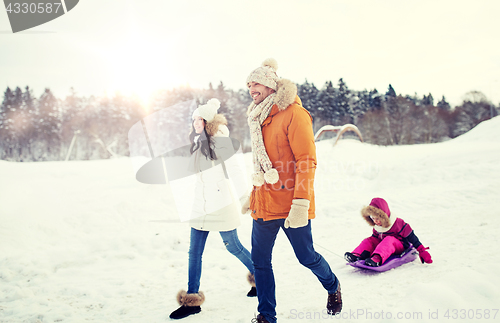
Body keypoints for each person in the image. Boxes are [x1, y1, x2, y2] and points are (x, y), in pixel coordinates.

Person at [241, 59, 342, 323]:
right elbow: (263, 162)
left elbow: (306, 161)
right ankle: (266, 316)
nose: (251, 87)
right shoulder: (258, 118)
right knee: (260, 262)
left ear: (271, 85)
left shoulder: (295, 114)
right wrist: (251, 194)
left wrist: (300, 203)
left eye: (257, 82)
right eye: (249, 83)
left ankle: (332, 285)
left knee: (306, 257)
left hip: (290, 204)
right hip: (264, 203)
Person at [169, 99, 256, 320]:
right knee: (194, 252)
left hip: (221, 203)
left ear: (208, 121)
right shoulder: (198, 142)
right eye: (193, 119)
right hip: (201, 205)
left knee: (233, 246)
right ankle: (192, 301)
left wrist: (245, 198)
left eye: (199, 119)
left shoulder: (221, 141)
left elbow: (235, 170)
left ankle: (261, 278)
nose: (195, 122)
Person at [344, 197, 433, 267]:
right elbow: (374, 239)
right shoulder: (377, 225)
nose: (375, 221)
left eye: (377, 218)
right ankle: (357, 255)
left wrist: (421, 250)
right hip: (384, 246)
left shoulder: (398, 223)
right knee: (370, 240)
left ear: (384, 216)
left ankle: (377, 258)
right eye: (373, 218)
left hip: (399, 246)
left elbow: (412, 237)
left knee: (389, 239)